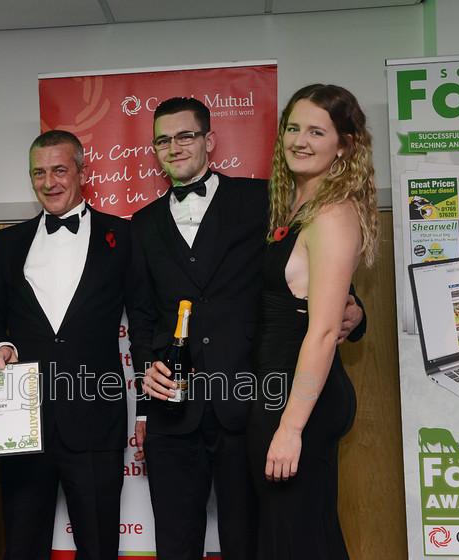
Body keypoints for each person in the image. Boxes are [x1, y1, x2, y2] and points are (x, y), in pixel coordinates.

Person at [129, 97, 366, 559]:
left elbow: (316, 278)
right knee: (174, 543)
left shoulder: (264, 201)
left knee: (253, 542)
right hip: (172, 413)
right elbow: (141, 314)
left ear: (209, 141)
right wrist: (146, 365)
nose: (174, 147)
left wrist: (355, 312)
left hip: (251, 403)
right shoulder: (141, 225)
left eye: (185, 136)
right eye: (163, 140)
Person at [0, 130, 131, 560]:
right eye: (39, 172)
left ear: (83, 172)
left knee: (100, 547)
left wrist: (152, 411)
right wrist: (0, 342)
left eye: (60, 169)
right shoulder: (7, 243)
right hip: (22, 422)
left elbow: (143, 320)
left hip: (95, 417)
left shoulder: (122, 236)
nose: (49, 182)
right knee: (23, 546)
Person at [245, 84, 379, 559]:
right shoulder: (300, 205)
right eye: (293, 128)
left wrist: (290, 428)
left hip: (299, 400)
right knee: (301, 537)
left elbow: (322, 331)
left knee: (295, 539)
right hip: (279, 391)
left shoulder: (332, 214)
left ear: (343, 144)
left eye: (316, 131)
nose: (300, 140)